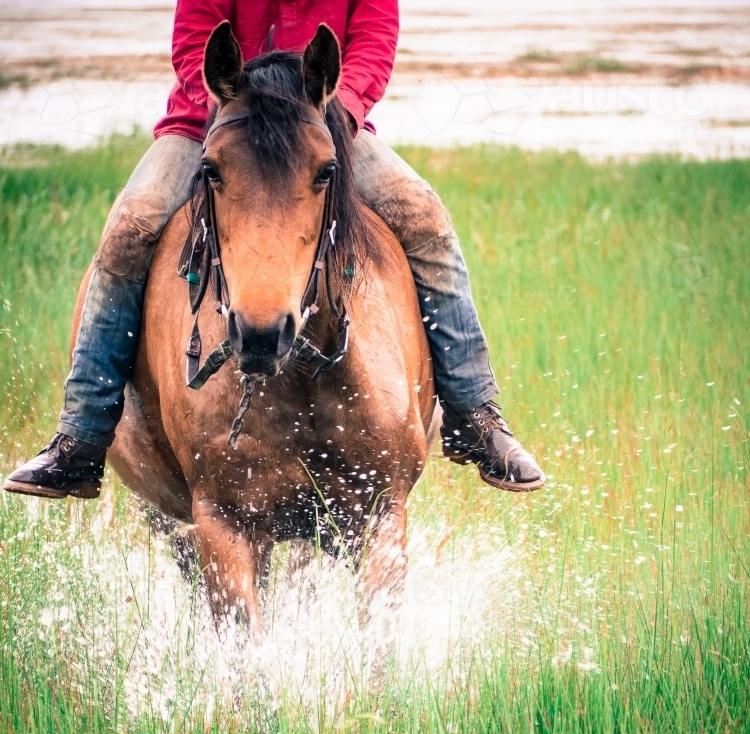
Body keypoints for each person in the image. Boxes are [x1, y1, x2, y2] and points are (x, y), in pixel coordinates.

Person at [5, 0, 545, 500]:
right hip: (215, 127)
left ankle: (475, 416)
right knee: (132, 227)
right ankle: (82, 435)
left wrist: (334, 111)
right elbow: (196, 41)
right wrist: (234, 107)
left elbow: (374, 41)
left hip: (321, 126)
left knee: (424, 216)